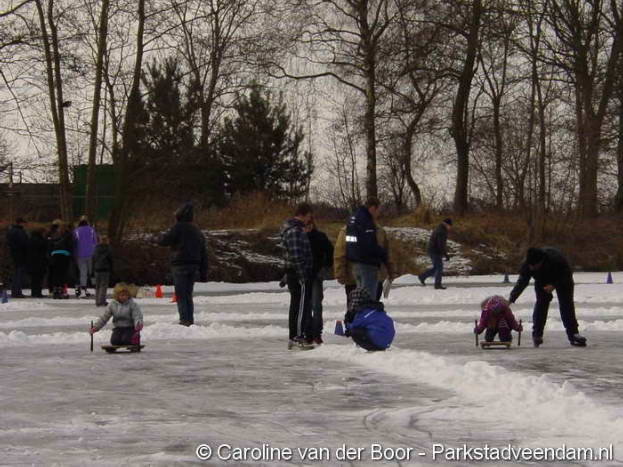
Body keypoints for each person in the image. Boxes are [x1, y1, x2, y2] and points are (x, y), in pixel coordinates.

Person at [509, 247, 587, 347]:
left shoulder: (557, 260)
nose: (531, 268)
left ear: (541, 262)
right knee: (541, 303)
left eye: (534, 266)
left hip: (562, 278)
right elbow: (522, 282)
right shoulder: (527, 264)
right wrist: (511, 299)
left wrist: (554, 285)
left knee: (566, 305)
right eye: (530, 266)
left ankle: (574, 334)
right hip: (541, 280)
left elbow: (566, 276)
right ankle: (537, 334)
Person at [156, 202, 208, 326]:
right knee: (188, 294)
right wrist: (203, 272)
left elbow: (164, 241)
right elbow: (203, 252)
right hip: (194, 266)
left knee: (181, 295)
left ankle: (184, 320)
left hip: (179, 264)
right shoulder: (197, 231)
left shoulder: (178, 228)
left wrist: (158, 237)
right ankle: (189, 320)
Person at [334, 222, 394, 308]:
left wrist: (390, 270)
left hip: (374, 277)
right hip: (354, 279)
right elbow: (340, 253)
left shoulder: (379, 231)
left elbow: (386, 253)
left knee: (369, 308)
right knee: (357, 309)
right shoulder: (347, 230)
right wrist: (340, 273)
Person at [281, 203, 314, 350]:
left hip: (295, 272)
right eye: (309, 216)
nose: (309, 220)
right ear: (303, 214)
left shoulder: (296, 229)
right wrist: (303, 276)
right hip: (299, 274)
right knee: (300, 306)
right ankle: (297, 337)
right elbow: (296, 255)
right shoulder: (294, 231)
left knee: (297, 304)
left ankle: (294, 336)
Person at [345, 197, 389, 298]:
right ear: (373, 208)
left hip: (355, 263)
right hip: (367, 265)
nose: (378, 214)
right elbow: (370, 245)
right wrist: (383, 254)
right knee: (368, 299)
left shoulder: (353, 218)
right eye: (378, 210)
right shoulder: (367, 221)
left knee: (361, 299)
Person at [306, 218, 334, 345]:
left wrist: (324, 268)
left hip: (316, 276)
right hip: (304, 275)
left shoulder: (320, 237)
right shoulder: (300, 237)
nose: (307, 227)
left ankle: (317, 334)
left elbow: (330, 252)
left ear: (313, 224)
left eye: (309, 224)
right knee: (306, 306)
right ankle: (308, 333)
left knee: (316, 305)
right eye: (305, 225)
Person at [418, 218, 453, 289]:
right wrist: (445, 254)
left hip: (432, 250)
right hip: (435, 251)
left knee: (436, 267)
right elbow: (441, 244)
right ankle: (437, 285)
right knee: (439, 268)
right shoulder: (441, 231)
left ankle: (422, 276)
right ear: (446, 224)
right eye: (450, 226)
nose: (450, 227)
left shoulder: (440, 229)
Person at [48, 220, 73, 299]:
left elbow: (50, 244)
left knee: (56, 274)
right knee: (63, 274)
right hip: (64, 254)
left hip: (54, 254)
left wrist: (50, 255)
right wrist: (70, 254)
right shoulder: (68, 234)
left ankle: (56, 290)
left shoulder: (53, 234)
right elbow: (70, 245)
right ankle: (63, 290)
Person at [73, 216, 97, 298]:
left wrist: (75, 253)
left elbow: (74, 242)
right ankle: (95, 287)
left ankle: (83, 288)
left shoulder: (76, 231)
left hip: (80, 254)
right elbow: (95, 241)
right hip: (91, 253)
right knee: (92, 272)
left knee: (83, 272)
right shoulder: (92, 230)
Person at [6, 217, 29, 298]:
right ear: (20, 223)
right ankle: (17, 292)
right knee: (19, 274)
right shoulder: (20, 232)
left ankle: (15, 291)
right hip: (20, 255)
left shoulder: (11, 230)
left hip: (14, 254)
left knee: (16, 273)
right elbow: (24, 243)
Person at [27, 227, 49, 298]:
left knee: (34, 278)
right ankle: (38, 293)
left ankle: (34, 292)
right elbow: (44, 248)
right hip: (40, 262)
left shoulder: (30, 239)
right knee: (39, 278)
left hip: (32, 261)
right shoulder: (41, 240)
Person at [93, 234, 113, 307]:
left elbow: (94, 258)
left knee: (97, 286)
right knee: (103, 285)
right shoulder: (108, 248)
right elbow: (110, 259)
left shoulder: (96, 248)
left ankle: (97, 301)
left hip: (97, 268)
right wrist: (111, 267)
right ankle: (102, 301)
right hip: (105, 269)